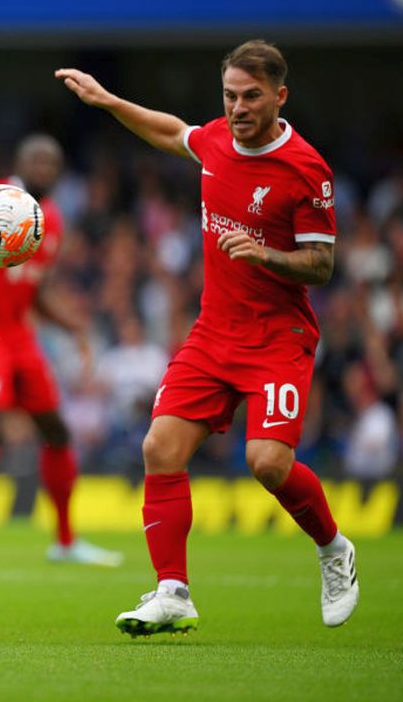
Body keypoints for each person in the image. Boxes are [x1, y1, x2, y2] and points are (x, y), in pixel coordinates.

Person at [56, 40, 358, 636]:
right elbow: (173, 133)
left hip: (277, 336)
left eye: (251, 97)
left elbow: (322, 265)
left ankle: (334, 549)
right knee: (159, 450)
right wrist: (109, 101)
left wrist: (264, 254)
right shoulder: (217, 139)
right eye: (230, 96)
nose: (239, 108)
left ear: (279, 96)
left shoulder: (305, 169)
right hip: (214, 331)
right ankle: (173, 592)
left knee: (267, 463)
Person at [0, 135, 123, 569]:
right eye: (37, 160)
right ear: (20, 163)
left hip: (17, 333)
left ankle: (66, 540)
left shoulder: (53, 220)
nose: (45, 169)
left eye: (53, 163)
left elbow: (37, 289)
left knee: (56, 429)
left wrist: (74, 327)